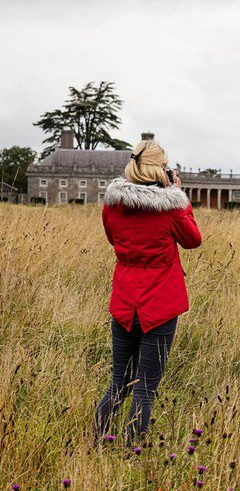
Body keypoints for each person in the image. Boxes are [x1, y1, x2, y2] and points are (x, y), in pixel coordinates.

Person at [95, 140, 202, 446]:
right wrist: (178, 196)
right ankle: (133, 450)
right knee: (146, 386)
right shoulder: (170, 207)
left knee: (119, 382)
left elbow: (113, 240)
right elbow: (193, 240)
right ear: (160, 169)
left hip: (125, 303)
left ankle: (99, 442)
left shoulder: (112, 205)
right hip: (159, 306)